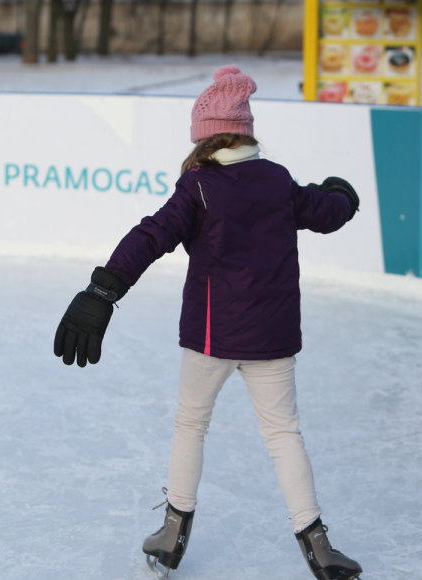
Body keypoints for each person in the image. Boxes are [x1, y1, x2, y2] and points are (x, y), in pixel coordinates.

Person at [53, 65, 363, 580]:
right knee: (284, 434)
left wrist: (103, 289)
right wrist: (343, 196)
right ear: (246, 132)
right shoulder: (278, 180)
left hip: (211, 339)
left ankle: (173, 535)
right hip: (273, 337)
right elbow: (327, 212)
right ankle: (319, 546)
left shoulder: (198, 186)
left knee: (190, 425)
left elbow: (151, 235)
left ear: (203, 136)